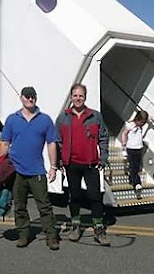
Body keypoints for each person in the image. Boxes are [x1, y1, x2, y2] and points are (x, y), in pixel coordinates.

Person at [0, 86, 60, 250]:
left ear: (36, 98)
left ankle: (52, 236)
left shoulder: (45, 120)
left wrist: (53, 167)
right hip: (16, 170)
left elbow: (51, 143)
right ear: (21, 98)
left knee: (44, 205)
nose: (30, 99)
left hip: (37, 171)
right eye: (27, 96)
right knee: (19, 205)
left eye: (33, 96)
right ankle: (23, 234)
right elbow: (5, 143)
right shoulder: (12, 119)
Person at [55, 83, 110, 246]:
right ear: (71, 97)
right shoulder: (63, 118)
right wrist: (58, 160)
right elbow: (57, 141)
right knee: (75, 196)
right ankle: (75, 226)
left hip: (91, 164)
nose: (78, 98)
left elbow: (104, 138)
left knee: (95, 197)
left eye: (81, 96)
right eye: (75, 95)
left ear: (85, 97)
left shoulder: (95, 116)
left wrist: (103, 158)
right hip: (71, 164)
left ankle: (99, 229)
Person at [121, 110, 149, 200]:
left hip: (138, 148)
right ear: (137, 119)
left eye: (144, 123)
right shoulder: (131, 125)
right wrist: (124, 143)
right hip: (131, 148)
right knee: (133, 167)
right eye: (141, 122)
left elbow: (149, 118)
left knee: (136, 167)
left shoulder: (141, 126)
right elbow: (124, 133)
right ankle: (137, 184)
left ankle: (135, 182)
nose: (142, 124)